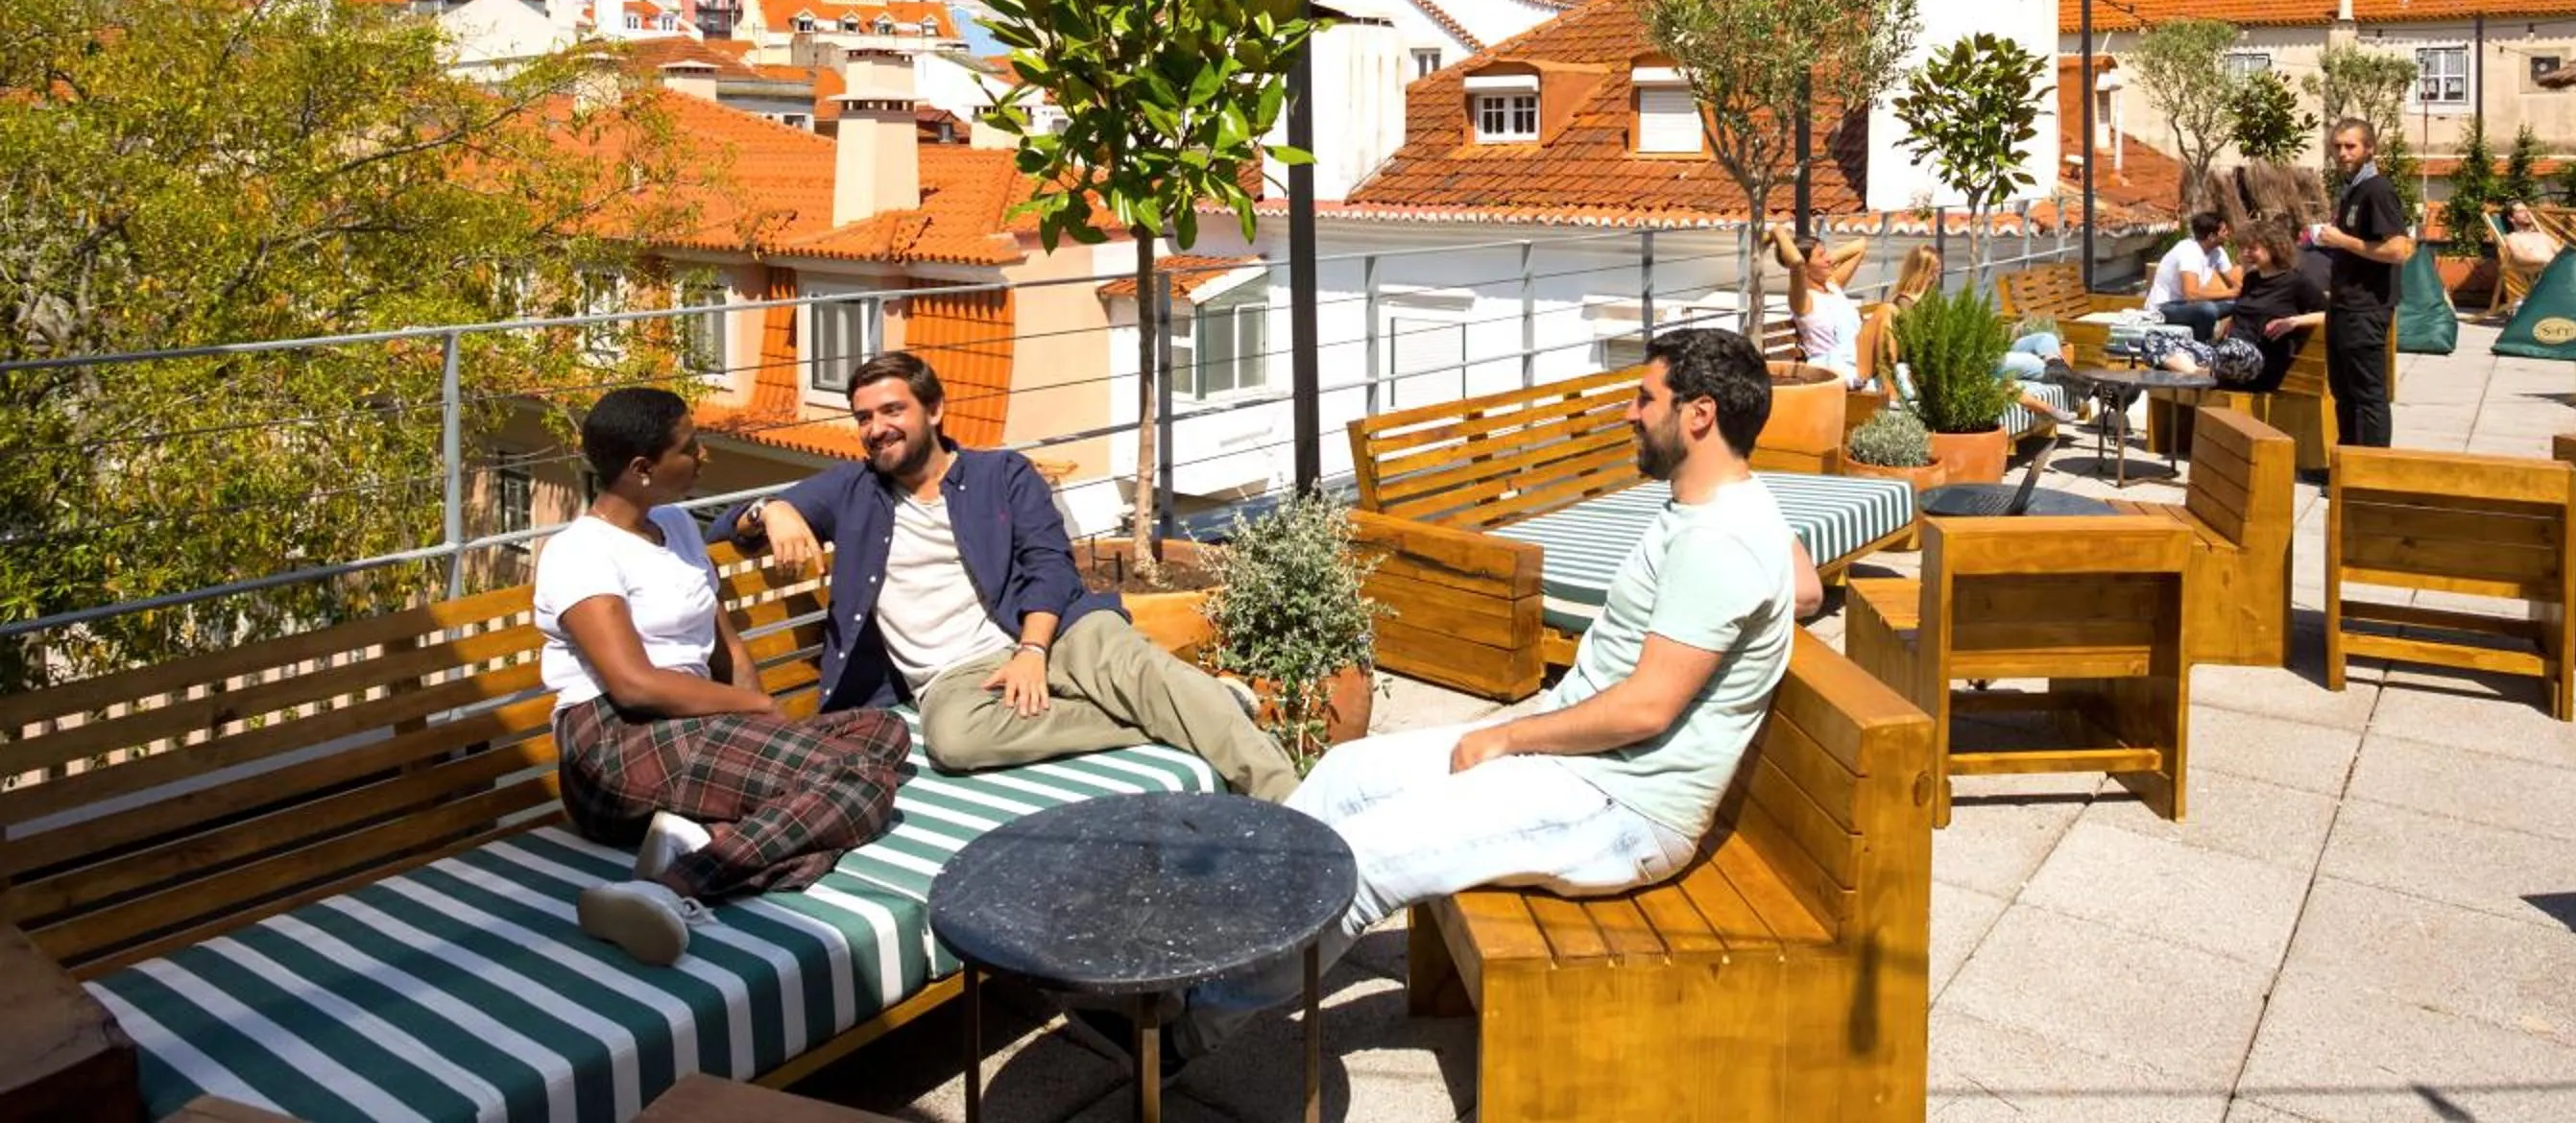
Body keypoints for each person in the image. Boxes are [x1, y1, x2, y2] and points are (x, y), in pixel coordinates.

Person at [1111, 327, 1797, 1074]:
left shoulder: (1720, 541)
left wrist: (1508, 738)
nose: (1630, 413)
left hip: (1623, 805)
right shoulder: (1728, 505)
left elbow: (1646, 710)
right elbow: (1803, 582)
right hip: (1588, 769)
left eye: (1645, 398)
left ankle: (1183, 1033)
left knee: (1365, 861)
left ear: (1699, 415)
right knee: (1343, 777)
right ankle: (1208, 944)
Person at [731, 350, 1299, 801]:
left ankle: (1298, 809)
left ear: (933, 411)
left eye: (891, 411)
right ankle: (1196, 708)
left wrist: (1031, 649)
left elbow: (1049, 562)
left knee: (1135, 666)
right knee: (953, 743)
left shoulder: (1000, 473)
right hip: (955, 680)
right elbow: (722, 530)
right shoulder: (849, 490)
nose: (876, 429)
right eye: (863, 418)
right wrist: (768, 508)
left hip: (1052, 631)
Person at [540, 388, 910, 967]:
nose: (703, 455)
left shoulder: (678, 526)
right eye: (689, 447)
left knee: (884, 733)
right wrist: (755, 711)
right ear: (642, 469)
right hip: (614, 746)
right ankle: (667, 889)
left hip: (691, 726)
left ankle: (699, 844)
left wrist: (758, 707)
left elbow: (726, 648)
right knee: (858, 782)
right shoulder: (579, 553)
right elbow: (632, 683)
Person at [2312, 118, 2414, 446]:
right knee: (2344, 391)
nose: (2342, 153)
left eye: (2350, 146)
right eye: (2338, 146)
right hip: (2343, 304)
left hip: (2366, 308)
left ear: (2370, 149)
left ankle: (2370, 472)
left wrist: (2342, 240)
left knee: (2368, 393)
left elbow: (2398, 249)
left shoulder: (2377, 190)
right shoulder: (2353, 188)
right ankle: (2346, 466)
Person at [2155, 220, 2324, 391]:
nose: (2245, 253)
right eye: (2243, 248)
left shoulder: (2297, 282)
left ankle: (2205, 374)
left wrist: (2294, 321)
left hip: (2258, 360)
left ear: (2274, 248)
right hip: (2227, 356)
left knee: (2235, 350)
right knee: (2154, 340)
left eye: (2252, 248)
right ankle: (2201, 374)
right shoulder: (2252, 279)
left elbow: (2328, 313)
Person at [1768, 223, 1869, 383]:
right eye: (1821, 256)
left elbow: (1861, 245)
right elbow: (1796, 262)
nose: (1829, 259)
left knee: (1887, 315)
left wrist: (1822, 261)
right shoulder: (1803, 300)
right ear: (1806, 267)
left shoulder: (1833, 285)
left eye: (1826, 253)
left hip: (1859, 359)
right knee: (1886, 312)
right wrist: (1778, 232)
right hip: (1833, 369)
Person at [1854, 244, 1940, 389]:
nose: (1937, 275)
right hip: (1905, 366)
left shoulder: (1927, 301)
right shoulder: (1904, 301)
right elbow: (1911, 343)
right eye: (1934, 270)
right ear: (1922, 270)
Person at [2145, 211, 2238, 336]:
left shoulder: (2218, 252)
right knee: (2207, 309)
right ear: (2211, 236)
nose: (2228, 234)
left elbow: (2235, 283)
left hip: (2189, 306)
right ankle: (2203, 347)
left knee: (2241, 304)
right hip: (2166, 308)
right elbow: (2190, 294)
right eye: (2224, 231)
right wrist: (2230, 293)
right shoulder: (2189, 252)